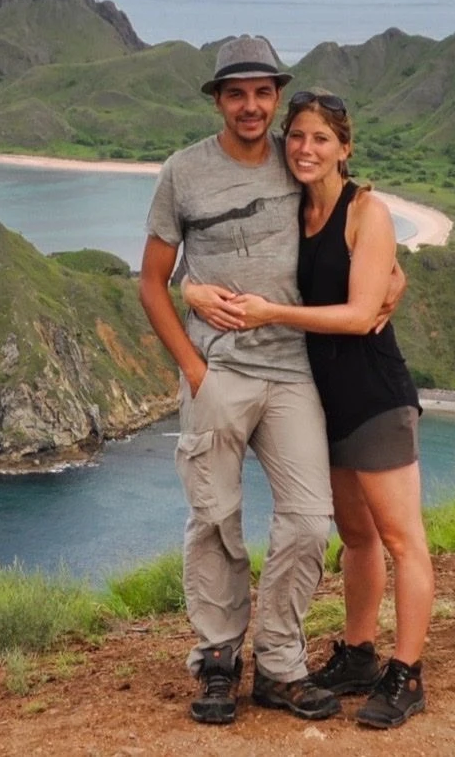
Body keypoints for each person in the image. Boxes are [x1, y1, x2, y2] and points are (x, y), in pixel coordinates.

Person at [137, 36, 344, 725]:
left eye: (262, 92)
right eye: (237, 93)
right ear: (219, 100)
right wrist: (194, 367)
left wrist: (391, 278)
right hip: (219, 370)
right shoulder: (183, 172)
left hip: (292, 371)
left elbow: (352, 219)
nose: (251, 105)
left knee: (311, 520)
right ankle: (219, 658)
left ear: (277, 98)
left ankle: (281, 662)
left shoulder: (299, 162)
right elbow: (151, 281)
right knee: (215, 519)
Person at [219, 89, 430, 730]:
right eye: (298, 136)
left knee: (402, 540)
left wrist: (271, 313)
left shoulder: (367, 211)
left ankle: (407, 674)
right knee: (357, 537)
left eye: (321, 139)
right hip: (322, 402)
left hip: (374, 399)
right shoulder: (293, 208)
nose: (306, 149)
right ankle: (361, 654)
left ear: (346, 148)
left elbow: (364, 314)